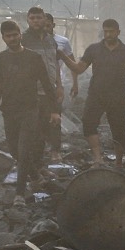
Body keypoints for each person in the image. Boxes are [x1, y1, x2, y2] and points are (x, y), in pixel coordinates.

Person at [0, 20, 60, 205]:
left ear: (20, 34)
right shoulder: (0, 59)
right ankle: (35, 176)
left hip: (30, 110)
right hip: (9, 111)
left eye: (15, 35)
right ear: (3, 38)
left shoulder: (34, 58)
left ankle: (20, 194)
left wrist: (54, 110)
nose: (12, 38)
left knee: (24, 148)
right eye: (8, 36)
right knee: (14, 151)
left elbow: (47, 84)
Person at [59, 19, 125, 168]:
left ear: (118, 32)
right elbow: (79, 68)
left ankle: (119, 162)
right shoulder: (94, 49)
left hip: (117, 96)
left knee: (119, 130)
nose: (108, 34)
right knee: (88, 123)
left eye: (111, 31)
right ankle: (98, 159)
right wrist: (62, 56)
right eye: (105, 31)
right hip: (96, 95)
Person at [21, 7, 64, 170]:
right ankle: (33, 167)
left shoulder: (50, 40)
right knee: (35, 131)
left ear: (45, 19)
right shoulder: (23, 40)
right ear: (27, 20)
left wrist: (59, 86)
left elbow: (55, 65)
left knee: (53, 124)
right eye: (32, 18)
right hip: (32, 93)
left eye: (39, 18)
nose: (36, 21)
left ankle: (50, 157)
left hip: (50, 91)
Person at [45, 13, 77, 162]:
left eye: (47, 25)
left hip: (56, 85)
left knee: (55, 117)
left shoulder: (62, 42)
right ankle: (39, 150)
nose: (45, 27)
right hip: (36, 86)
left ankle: (55, 150)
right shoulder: (32, 41)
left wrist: (74, 82)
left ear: (53, 25)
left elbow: (71, 61)